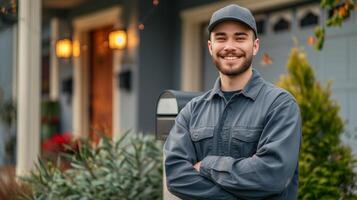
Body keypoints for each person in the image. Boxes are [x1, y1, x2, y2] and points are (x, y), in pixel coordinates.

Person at [164, 4, 301, 200]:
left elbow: (272, 175)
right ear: (211, 47)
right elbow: (176, 176)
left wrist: (207, 165)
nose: (230, 46)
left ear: (255, 46)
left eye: (240, 37)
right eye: (221, 38)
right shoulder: (192, 111)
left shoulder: (280, 105)